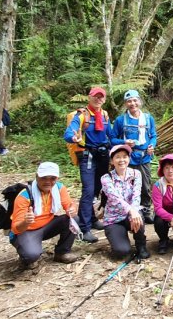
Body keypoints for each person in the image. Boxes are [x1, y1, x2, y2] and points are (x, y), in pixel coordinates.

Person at [64, 87, 112, 243]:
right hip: (88, 156)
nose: (98, 99)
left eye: (101, 97)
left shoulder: (104, 115)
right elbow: (68, 133)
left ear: (104, 99)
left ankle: (92, 219)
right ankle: (84, 228)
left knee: (98, 188)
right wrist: (74, 137)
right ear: (89, 97)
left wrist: (122, 145)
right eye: (95, 96)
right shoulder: (81, 115)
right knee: (88, 190)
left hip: (103, 155)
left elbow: (110, 135)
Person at [10, 162, 79, 269]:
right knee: (31, 255)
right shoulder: (24, 196)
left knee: (73, 219)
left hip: (47, 225)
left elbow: (69, 205)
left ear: (57, 178)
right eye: (44, 178)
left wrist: (72, 209)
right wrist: (26, 221)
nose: (48, 182)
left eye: (52, 178)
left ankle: (62, 252)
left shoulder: (59, 188)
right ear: (37, 177)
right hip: (27, 230)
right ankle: (27, 257)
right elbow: (16, 229)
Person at [111, 90, 157, 224]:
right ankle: (128, 212)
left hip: (144, 157)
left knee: (145, 186)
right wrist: (124, 143)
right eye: (129, 101)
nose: (133, 103)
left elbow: (153, 135)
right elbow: (112, 139)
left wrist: (151, 145)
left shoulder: (148, 118)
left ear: (140, 101)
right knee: (127, 186)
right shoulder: (120, 121)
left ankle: (146, 211)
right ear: (126, 104)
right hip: (127, 159)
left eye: (135, 100)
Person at [101, 144, 150, 260]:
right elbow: (115, 198)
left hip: (131, 216)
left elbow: (136, 195)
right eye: (117, 157)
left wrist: (133, 213)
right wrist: (132, 211)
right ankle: (120, 239)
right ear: (112, 161)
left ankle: (141, 245)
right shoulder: (106, 178)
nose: (121, 160)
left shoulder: (135, 174)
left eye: (124, 156)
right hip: (114, 219)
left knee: (139, 216)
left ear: (129, 158)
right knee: (122, 251)